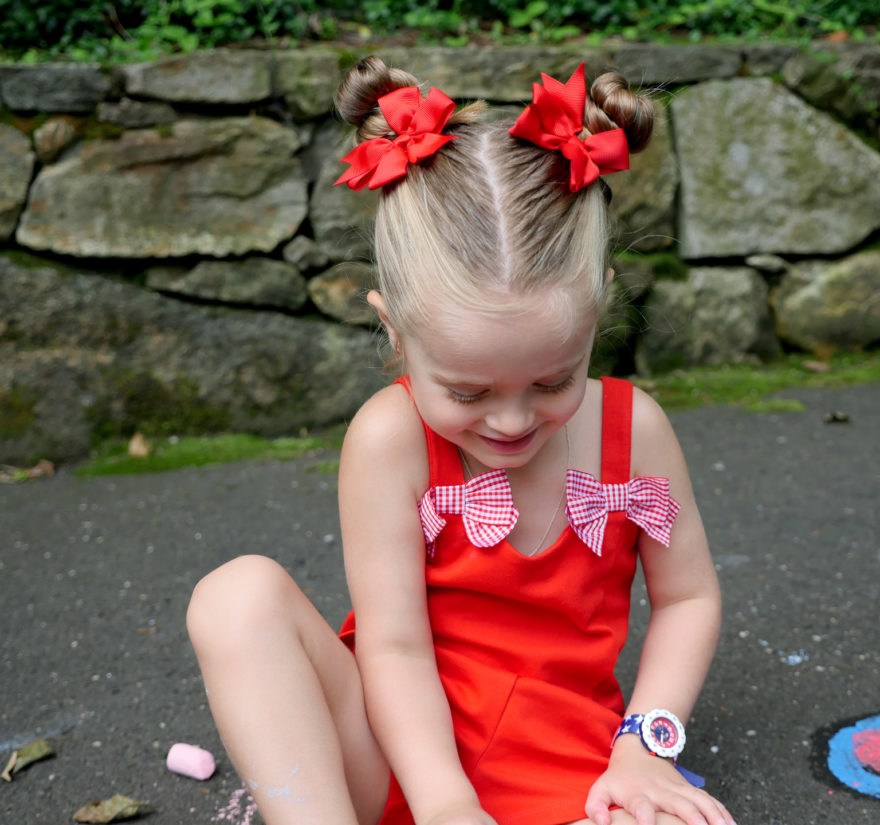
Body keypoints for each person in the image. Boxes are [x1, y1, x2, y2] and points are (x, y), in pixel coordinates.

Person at [187, 56, 732, 825]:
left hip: (569, 774)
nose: (510, 423)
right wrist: (444, 802)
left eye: (551, 383)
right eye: (469, 392)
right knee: (233, 597)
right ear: (396, 331)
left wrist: (646, 743)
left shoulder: (633, 431)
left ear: (598, 313)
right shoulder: (390, 439)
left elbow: (689, 597)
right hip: (399, 761)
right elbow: (395, 647)